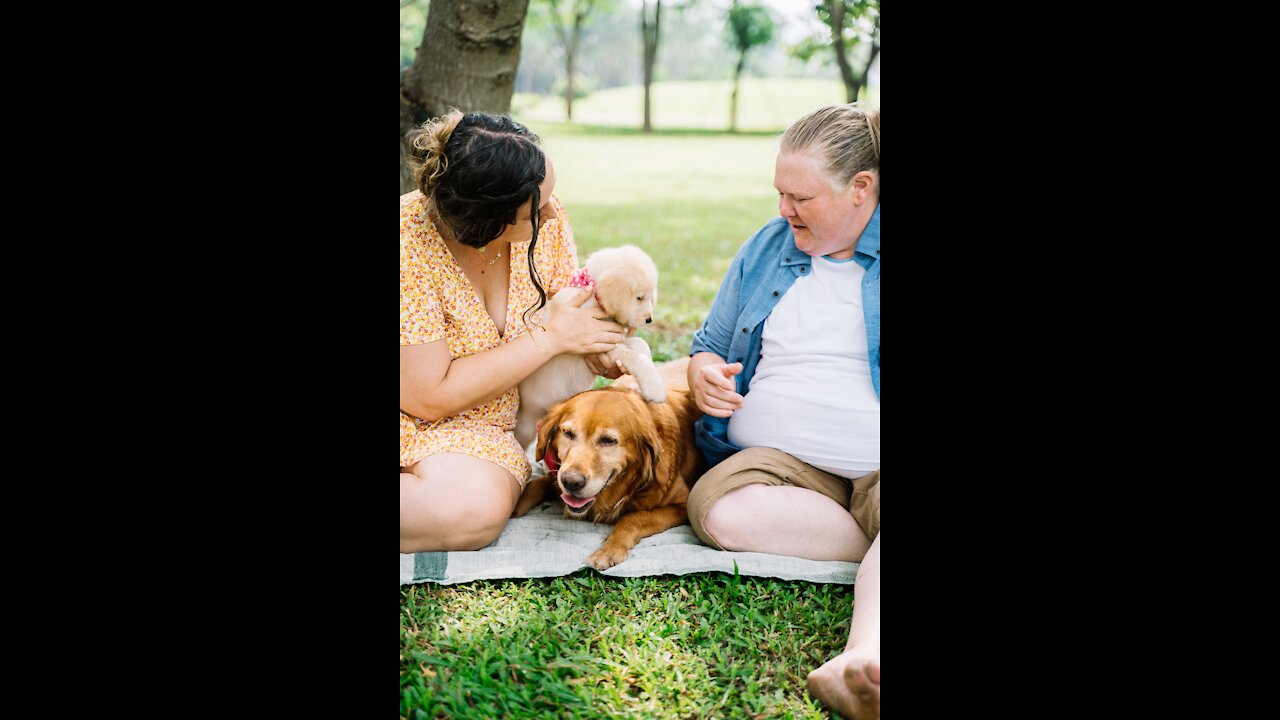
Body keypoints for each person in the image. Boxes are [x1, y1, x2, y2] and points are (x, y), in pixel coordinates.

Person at [684, 103, 880, 720]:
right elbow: (708, 346)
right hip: (781, 468)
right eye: (779, 193)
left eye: (800, 197)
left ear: (861, 188)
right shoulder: (767, 248)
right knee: (718, 511)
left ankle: (861, 661)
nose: (782, 210)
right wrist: (702, 374)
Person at [400, 110, 626, 554]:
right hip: (419, 404)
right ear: (486, 224)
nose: (553, 211)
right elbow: (426, 397)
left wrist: (597, 345)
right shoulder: (407, 244)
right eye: (536, 210)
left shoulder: (550, 224)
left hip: (480, 427)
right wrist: (550, 339)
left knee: (471, 512)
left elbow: (574, 307)